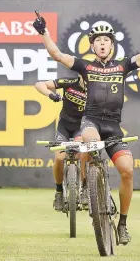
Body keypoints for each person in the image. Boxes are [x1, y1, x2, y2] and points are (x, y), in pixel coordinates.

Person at [33, 6, 140, 245]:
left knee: (128, 170)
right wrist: (43, 32)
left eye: (106, 40)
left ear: (112, 45)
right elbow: (56, 54)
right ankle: (90, 188)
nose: (102, 44)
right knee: (89, 140)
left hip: (114, 127)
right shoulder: (85, 67)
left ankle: (123, 224)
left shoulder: (123, 65)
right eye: (98, 41)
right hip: (91, 121)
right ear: (92, 46)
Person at [34, 75, 89, 211]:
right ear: (80, 75)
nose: (87, 80)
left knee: (82, 154)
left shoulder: (96, 88)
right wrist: (51, 95)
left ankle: (85, 189)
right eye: (84, 77)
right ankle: (59, 192)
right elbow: (39, 85)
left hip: (82, 127)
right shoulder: (70, 82)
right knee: (59, 158)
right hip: (64, 126)